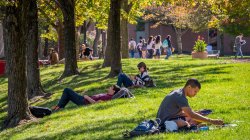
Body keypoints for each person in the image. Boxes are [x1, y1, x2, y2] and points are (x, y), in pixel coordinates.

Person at [156, 78, 224, 130]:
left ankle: (192, 125)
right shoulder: (180, 96)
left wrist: (196, 113)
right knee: (185, 122)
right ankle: (191, 126)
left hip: (171, 117)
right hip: (164, 122)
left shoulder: (179, 91)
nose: (195, 94)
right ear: (189, 87)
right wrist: (212, 121)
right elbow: (191, 115)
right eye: (195, 91)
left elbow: (179, 112)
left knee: (199, 115)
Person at [52, 85, 121, 111]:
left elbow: (96, 104)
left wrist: (87, 97)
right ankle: (59, 107)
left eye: (111, 87)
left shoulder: (107, 97)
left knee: (67, 90)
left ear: (113, 91)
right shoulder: (107, 95)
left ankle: (59, 107)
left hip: (84, 102)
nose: (109, 88)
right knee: (68, 93)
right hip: (84, 99)